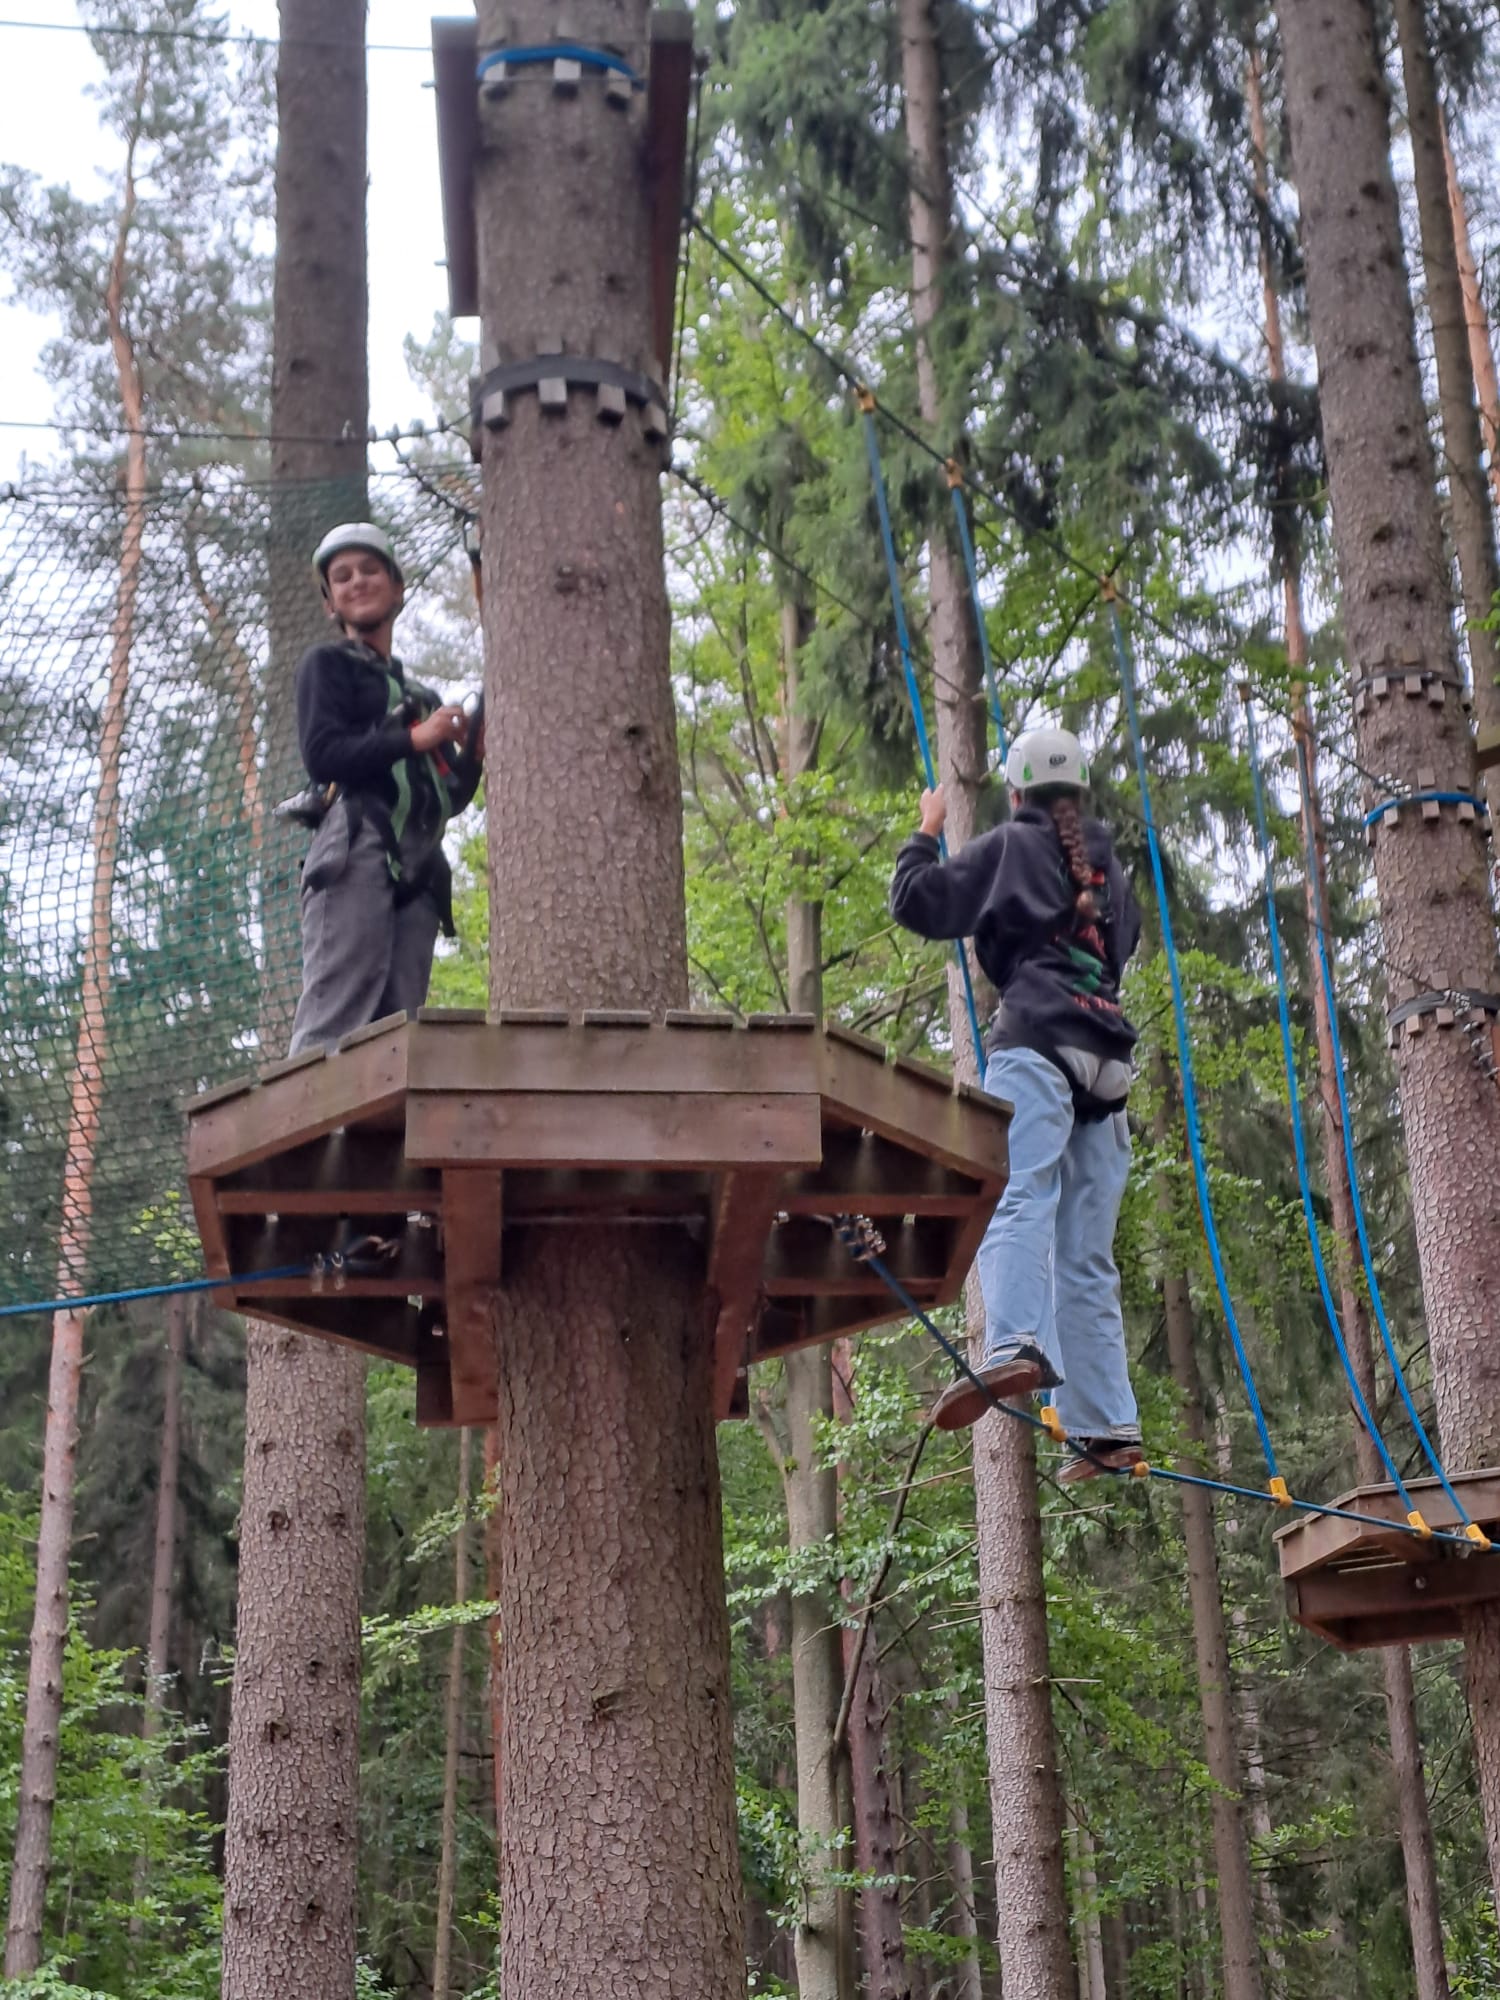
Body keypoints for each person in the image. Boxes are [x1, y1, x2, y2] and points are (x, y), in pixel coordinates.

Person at [888, 726, 1144, 1481]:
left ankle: (1015, 1342)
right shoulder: (1110, 869)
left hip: (1036, 1039)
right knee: (1086, 1252)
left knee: (1018, 1195)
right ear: (1080, 790)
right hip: (1106, 1060)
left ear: (1017, 790)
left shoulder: (1010, 846)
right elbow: (1120, 947)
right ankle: (1109, 1425)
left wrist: (927, 830)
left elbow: (919, 901)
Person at [286, 522, 483, 1056]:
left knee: (397, 1032)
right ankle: (309, 1110)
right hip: (357, 846)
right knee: (337, 1013)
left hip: (421, 868)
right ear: (330, 602)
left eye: (371, 570)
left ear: (397, 588)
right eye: (343, 576)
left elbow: (449, 796)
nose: (357, 581)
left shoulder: (421, 696)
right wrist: (416, 738)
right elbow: (323, 755)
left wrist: (474, 750)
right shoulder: (328, 667)